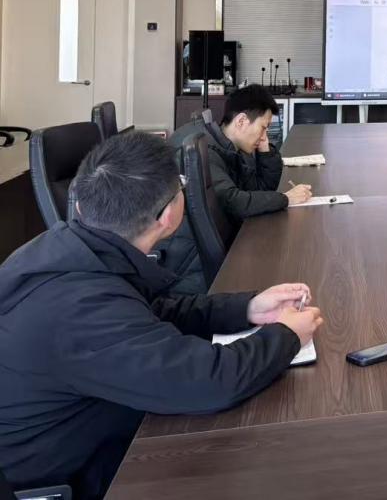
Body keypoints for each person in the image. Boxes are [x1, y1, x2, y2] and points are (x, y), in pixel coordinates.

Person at [0, 132, 324, 499]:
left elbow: (149, 314)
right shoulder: (83, 308)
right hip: (75, 478)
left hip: (89, 429)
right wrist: (287, 335)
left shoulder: (67, 250)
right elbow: (209, 381)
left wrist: (247, 308)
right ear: (169, 216)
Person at [163, 85, 311, 292]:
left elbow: (259, 189)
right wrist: (286, 199)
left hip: (207, 253)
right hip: (188, 266)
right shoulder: (207, 151)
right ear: (241, 121)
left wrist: (265, 150)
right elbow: (235, 201)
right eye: (263, 127)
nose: (264, 136)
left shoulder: (228, 146)